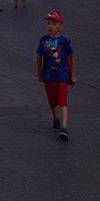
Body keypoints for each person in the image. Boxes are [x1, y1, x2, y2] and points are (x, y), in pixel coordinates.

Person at [37, 10, 76, 141]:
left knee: (62, 101)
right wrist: (40, 73)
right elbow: (39, 56)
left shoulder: (64, 41)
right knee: (53, 100)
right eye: (48, 23)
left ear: (60, 26)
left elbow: (71, 57)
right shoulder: (43, 41)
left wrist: (72, 74)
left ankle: (64, 128)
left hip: (62, 75)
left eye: (53, 24)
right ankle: (56, 118)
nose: (50, 26)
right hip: (49, 75)